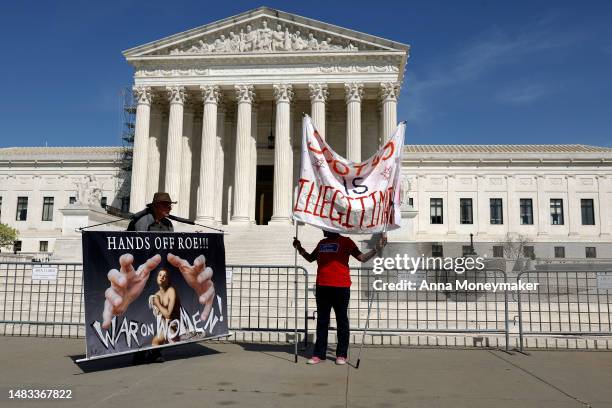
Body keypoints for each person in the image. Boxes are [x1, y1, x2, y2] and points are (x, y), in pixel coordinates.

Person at [293, 230, 386, 365]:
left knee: (342, 321)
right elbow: (310, 258)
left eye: (325, 227)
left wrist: (377, 249)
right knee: (322, 321)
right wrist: (299, 248)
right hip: (322, 286)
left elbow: (362, 258)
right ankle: (319, 354)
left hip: (341, 287)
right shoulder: (322, 243)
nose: (322, 229)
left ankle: (341, 354)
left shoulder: (346, 241)